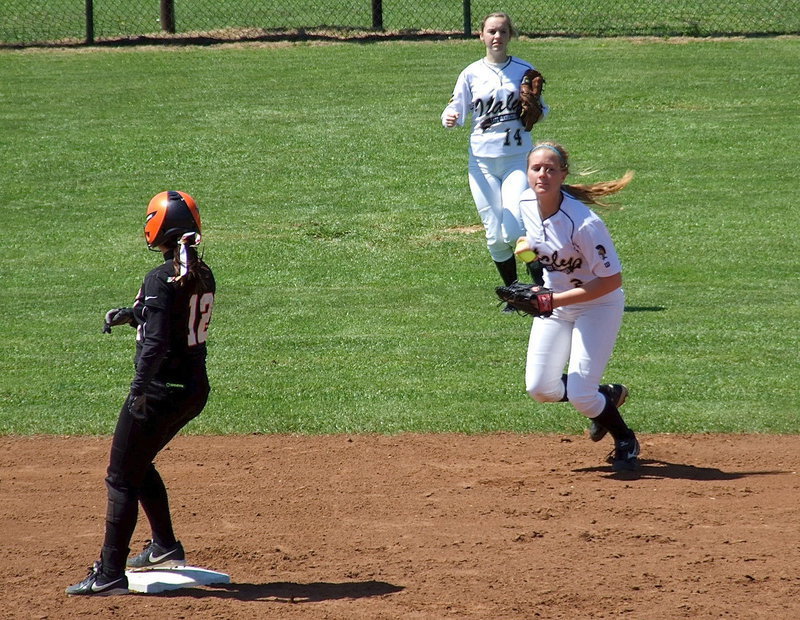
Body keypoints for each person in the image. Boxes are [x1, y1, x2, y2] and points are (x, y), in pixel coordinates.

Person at [66, 191, 216, 595]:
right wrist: (133, 314)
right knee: (138, 460)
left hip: (159, 391)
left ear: (159, 227)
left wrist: (138, 392)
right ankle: (165, 546)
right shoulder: (201, 273)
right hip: (193, 390)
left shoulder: (159, 277)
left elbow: (155, 345)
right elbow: (171, 318)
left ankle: (110, 572)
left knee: (120, 477)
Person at [514, 142, 639, 471]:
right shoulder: (526, 202)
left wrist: (551, 299)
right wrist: (527, 253)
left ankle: (625, 438)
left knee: (582, 395)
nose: (543, 174)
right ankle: (607, 395)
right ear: (528, 172)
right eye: (536, 168)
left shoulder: (584, 223)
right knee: (540, 388)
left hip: (599, 305)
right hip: (555, 303)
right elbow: (541, 248)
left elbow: (611, 281)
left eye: (550, 169)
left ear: (563, 174)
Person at [441, 12, 548, 309]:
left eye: (502, 31)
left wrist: (536, 109)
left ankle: (541, 284)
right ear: (482, 36)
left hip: (516, 160)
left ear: (510, 35)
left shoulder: (525, 71)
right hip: (482, 164)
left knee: (512, 230)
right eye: (491, 31)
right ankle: (515, 293)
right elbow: (455, 110)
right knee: (493, 234)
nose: (496, 36)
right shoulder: (471, 73)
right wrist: (449, 118)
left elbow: (544, 110)